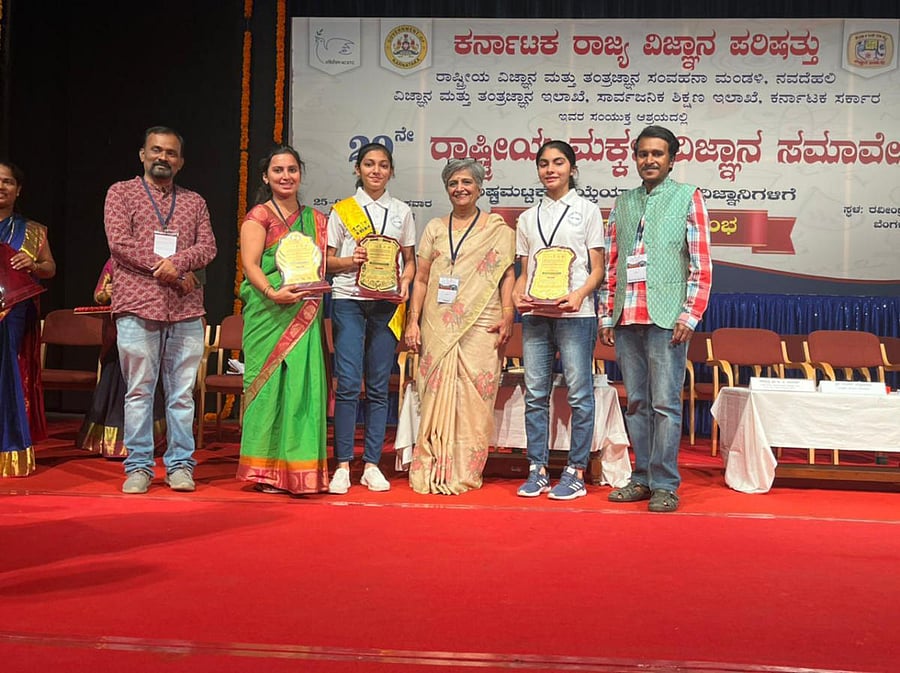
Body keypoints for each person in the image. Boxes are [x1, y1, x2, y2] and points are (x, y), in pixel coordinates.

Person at [599, 125, 712, 513]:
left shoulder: (687, 196)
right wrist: (605, 316)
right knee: (638, 403)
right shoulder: (624, 202)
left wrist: (690, 313)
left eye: (657, 154)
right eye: (643, 154)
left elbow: (701, 264)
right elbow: (612, 262)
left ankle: (665, 483)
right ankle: (642, 477)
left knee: (665, 404)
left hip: (668, 318)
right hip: (627, 316)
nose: (649, 160)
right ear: (635, 158)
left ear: (671, 159)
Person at [104, 126, 217, 494]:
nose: (162, 158)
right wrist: (164, 268)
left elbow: (208, 248)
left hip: (185, 312)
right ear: (142, 154)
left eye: (170, 153)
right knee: (138, 391)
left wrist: (178, 263)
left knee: (182, 395)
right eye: (156, 150)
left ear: (180, 162)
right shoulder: (120, 193)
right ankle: (137, 466)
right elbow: (120, 243)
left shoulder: (194, 201)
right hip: (137, 306)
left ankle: (181, 465)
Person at [404, 158, 516, 494]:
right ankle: (433, 465)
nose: (460, 188)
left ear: (480, 187)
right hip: (438, 323)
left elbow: (507, 275)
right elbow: (421, 279)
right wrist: (413, 321)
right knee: (435, 392)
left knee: (475, 397)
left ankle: (464, 469)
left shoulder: (498, 230)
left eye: (467, 182)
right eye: (453, 183)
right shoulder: (435, 228)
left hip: (483, 322)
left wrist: (508, 312)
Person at [512, 140, 605, 500]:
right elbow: (524, 271)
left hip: (575, 315)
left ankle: (576, 471)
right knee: (535, 394)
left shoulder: (588, 211)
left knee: (580, 395)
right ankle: (536, 468)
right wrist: (519, 294)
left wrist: (579, 295)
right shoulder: (526, 217)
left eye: (558, 163)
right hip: (536, 315)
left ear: (572, 169)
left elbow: (597, 270)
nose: (550, 169)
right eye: (544, 163)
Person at [236, 145, 330, 494]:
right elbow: (251, 266)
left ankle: (298, 472)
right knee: (269, 388)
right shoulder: (258, 217)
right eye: (278, 170)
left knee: (302, 389)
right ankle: (265, 472)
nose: (286, 176)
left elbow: (319, 264)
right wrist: (273, 294)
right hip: (270, 312)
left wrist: (351, 263)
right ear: (266, 176)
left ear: (300, 174)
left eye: (292, 170)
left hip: (304, 311)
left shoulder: (316, 220)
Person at [326, 142, 416, 493]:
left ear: (391, 171)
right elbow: (328, 262)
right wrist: (352, 261)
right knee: (348, 384)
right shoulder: (342, 211)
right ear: (358, 170)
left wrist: (406, 282)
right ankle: (344, 464)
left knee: (379, 387)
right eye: (368, 164)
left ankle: (373, 464)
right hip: (349, 300)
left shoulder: (402, 212)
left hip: (387, 304)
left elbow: (410, 261)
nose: (376, 171)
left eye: (382, 165)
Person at [76, 259, 167, 458]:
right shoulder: (112, 263)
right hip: (118, 338)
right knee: (115, 386)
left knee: (145, 386)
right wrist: (105, 294)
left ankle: (146, 441)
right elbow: (98, 295)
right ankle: (114, 443)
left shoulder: (153, 261)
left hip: (147, 333)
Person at [0, 160, 56, 477]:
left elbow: (50, 268)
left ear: (18, 190)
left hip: (14, 313)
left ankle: (10, 449)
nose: (1, 187)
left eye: (8, 181)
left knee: (9, 375)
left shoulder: (32, 231)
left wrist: (33, 264)